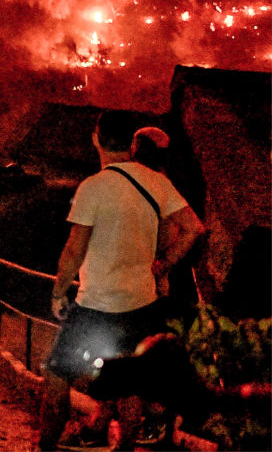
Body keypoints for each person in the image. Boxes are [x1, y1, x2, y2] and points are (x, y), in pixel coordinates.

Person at [38, 110, 205, 451]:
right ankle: (124, 447)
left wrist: (58, 293)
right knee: (128, 384)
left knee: (57, 376)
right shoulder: (157, 182)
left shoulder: (93, 187)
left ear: (95, 139)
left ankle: (45, 447)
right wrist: (164, 264)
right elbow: (193, 229)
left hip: (94, 304)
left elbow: (74, 250)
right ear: (131, 145)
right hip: (140, 304)